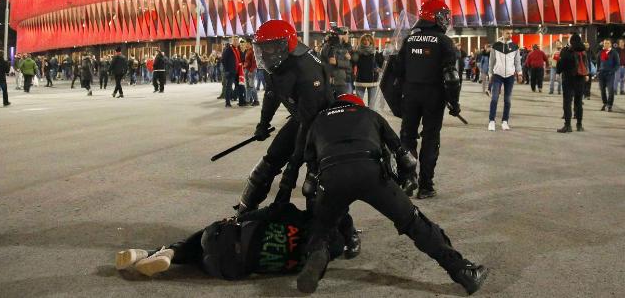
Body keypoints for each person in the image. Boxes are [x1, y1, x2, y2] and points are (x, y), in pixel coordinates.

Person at [296, 93, 487, 295]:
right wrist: (404, 181)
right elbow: (404, 156)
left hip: (333, 175)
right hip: (371, 173)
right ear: (358, 104)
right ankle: (463, 272)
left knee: (322, 229)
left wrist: (321, 207)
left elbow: (310, 177)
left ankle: (316, 255)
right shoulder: (369, 114)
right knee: (414, 222)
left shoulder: (318, 121)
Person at [237, 20, 334, 215]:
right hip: (302, 117)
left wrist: (291, 171)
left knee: (315, 183)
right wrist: (263, 124)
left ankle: (331, 232)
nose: (265, 52)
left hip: (323, 124)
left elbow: (308, 124)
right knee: (266, 166)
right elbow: (272, 94)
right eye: (262, 48)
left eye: (271, 47)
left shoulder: (306, 69)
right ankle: (244, 214)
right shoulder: (276, 64)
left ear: (285, 45)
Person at [115, 203, 353, 279]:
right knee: (203, 258)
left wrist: (238, 218)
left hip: (221, 239)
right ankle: (169, 254)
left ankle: (162, 252)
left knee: (206, 238)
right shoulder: (308, 263)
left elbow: (270, 211)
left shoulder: (297, 216)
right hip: (229, 269)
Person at [395, 0, 460, 199]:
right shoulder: (444, 41)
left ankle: (408, 178)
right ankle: (426, 185)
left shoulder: (409, 40)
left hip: (411, 95)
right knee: (431, 138)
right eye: (443, 15)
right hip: (434, 96)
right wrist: (454, 103)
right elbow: (451, 76)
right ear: (434, 17)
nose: (446, 20)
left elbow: (397, 71)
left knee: (407, 137)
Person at [488, 27, 522, 131]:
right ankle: (492, 121)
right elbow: (491, 61)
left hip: (510, 76)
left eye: (511, 33)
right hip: (497, 75)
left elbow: (517, 62)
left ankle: (505, 121)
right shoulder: (496, 45)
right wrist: (490, 74)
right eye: (508, 33)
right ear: (502, 32)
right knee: (494, 99)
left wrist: (519, 73)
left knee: (507, 100)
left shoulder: (515, 47)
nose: (510, 35)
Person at [556, 34, 590, 133]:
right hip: (580, 79)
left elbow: (561, 65)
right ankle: (579, 125)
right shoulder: (583, 51)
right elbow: (586, 64)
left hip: (568, 79)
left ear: (571, 41)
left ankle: (567, 126)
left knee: (567, 102)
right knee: (578, 102)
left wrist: (558, 71)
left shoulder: (566, 51)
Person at [320, 26, 354, 96]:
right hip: (329, 79)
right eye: (344, 34)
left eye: (346, 34)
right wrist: (326, 42)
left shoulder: (347, 46)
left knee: (344, 102)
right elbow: (322, 58)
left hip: (342, 80)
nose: (346, 36)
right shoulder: (329, 45)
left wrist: (337, 62)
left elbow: (348, 63)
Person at [351, 33, 381, 106]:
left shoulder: (375, 53)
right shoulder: (357, 52)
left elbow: (380, 64)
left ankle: (370, 117)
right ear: (361, 41)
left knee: (371, 105)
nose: (366, 41)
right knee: (359, 104)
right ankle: (360, 117)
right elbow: (353, 63)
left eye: (368, 40)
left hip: (372, 80)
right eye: (364, 40)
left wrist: (378, 68)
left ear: (371, 41)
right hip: (360, 80)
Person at [596, 39, 620, 112]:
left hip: (610, 74)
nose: (606, 44)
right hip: (601, 74)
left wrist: (612, 71)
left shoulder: (614, 53)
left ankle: (609, 105)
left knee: (610, 90)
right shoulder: (600, 52)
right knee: (602, 90)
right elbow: (598, 63)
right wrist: (598, 71)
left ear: (610, 44)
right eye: (605, 43)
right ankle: (605, 103)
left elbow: (617, 64)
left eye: (608, 43)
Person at [222, 37, 245, 107]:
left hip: (238, 71)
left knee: (240, 86)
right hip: (231, 71)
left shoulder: (238, 49)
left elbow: (242, 58)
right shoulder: (228, 49)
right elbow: (223, 59)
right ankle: (227, 102)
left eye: (237, 40)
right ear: (232, 41)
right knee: (229, 87)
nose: (235, 42)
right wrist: (227, 69)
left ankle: (238, 99)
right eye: (234, 40)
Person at [242, 40, 259, 106]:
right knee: (248, 86)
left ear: (250, 44)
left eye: (246, 43)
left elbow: (254, 62)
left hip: (251, 70)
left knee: (251, 85)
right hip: (247, 69)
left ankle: (256, 100)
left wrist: (251, 71)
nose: (245, 45)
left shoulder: (253, 51)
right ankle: (247, 100)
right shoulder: (248, 50)